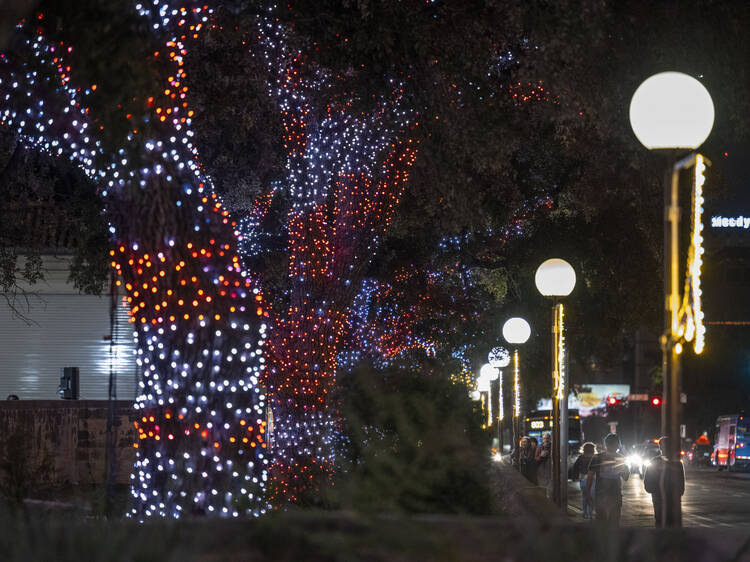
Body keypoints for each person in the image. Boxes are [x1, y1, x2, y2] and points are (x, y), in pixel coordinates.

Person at [585, 433, 629, 524]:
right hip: (615, 494)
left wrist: (588, 493)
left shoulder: (597, 457)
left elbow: (590, 476)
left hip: (601, 494)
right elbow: (626, 477)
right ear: (618, 445)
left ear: (606, 444)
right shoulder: (621, 458)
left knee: (601, 522)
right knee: (614, 522)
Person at [643, 436, 686, 527]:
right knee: (664, 521)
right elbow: (648, 481)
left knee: (665, 522)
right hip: (664, 498)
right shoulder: (676, 463)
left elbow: (681, 481)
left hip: (666, 498)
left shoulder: (676, 462)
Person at [571, 442, 596, 519]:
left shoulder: (581, 457)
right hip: (592, 479)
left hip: (583, 479)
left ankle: (585, 513)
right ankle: (589, 513)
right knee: (591, 496)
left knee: (585, 496)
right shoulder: (595, 457)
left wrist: (574, 477)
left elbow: (574, 468)